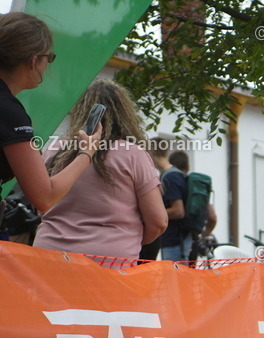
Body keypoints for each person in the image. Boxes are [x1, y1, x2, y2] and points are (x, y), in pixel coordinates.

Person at [32, 80, 166, 262]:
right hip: (108, 263)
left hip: (49, 256)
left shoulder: (54, 151)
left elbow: (39, 205)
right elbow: (158, 222)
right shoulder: (133, 154)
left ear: (80, 112)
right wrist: (127, 240)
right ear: (125, 114)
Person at [1, 12, 100, 232]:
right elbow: (45, 196)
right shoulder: (9, 111)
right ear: (34, 60)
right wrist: (86, 153)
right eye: (49, 57)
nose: (48, 65)